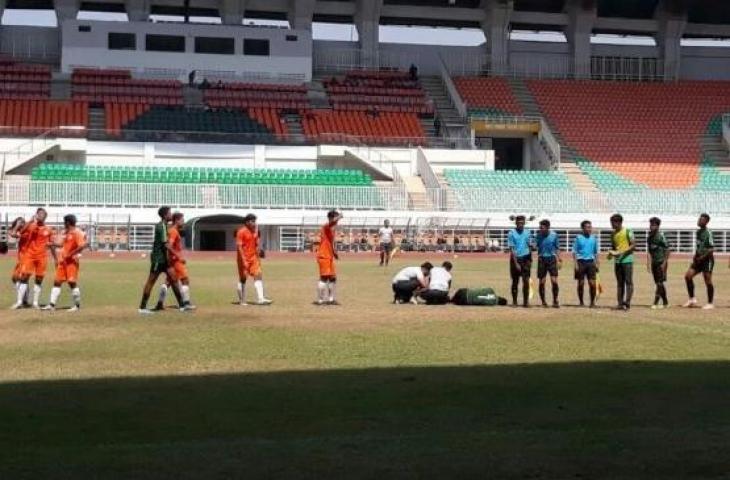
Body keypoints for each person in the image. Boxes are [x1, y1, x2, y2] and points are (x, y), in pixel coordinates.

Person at [138, 206, 191, 314]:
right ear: (165, 215)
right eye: (169, 213)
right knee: (151, 282)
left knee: (174, 279)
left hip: (165, 260)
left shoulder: (165, 226)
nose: (171, 215)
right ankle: (142, 307)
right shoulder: (161, 226)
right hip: (158, 259)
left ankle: (182, 305)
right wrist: (179, 256)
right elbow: (166, 244)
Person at [43, 214, 86, 311]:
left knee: (71, 282)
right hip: (62, 261)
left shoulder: (77, 233)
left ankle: (77, 306)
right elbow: (61, 244)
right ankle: (51, 305)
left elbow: (81, 246)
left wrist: (71, 254)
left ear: (68, 222)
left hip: (71, 262)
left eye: (64, 222)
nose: (63, 224)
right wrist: (52, 244)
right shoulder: (66, 232)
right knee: (57, 282)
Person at [12, 208, 53, 309]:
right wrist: (30, 221)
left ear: (45, 217)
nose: (41, 216)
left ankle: (35, 302)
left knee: (39, 279)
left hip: (42, 257)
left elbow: (51, 244)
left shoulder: (48, 229)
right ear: (36, 214)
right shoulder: (31, 226)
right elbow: (21, 232)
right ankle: (19, 302)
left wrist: (56, 258)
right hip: (29, 256)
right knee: (24, 277)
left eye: (43, 215)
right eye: (39, 214)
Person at [155, 212, 196, 310]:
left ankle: (160, 303)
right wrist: (178, 256)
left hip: (170, 260)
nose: (183, 222)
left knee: (168, 282)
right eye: (182, 220)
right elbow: (169, 245)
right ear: (177, 220)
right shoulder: (174, 231)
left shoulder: (170, 230)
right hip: (175, 261)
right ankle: (186, 303)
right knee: (185, 280)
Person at [235, 213, 272, 306]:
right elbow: (239, 247)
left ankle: (261, 298)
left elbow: (256, 244)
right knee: (243, 278)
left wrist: (260, 252)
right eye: (252, 221)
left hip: (254, 258)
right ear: (247, 222)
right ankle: (242, 300)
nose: (254, 223)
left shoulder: (255, 231)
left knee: (258, 275)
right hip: (243, 258)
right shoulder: (241, 231)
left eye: (255, 221)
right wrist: (243, 260)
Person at [683, 213, 715, 309]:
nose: (699, 221)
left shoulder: (708, 233)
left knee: (708, 281)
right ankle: (692, 299)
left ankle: (710, 303)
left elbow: (711, 249)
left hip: (707, 260)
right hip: (698, 259)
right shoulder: (698, 232)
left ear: (706, 222)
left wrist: (702, 257)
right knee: (688, 276)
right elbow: (699, 246)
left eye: (702, 220)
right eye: (699, 219)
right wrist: (696, 256)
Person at [609, 213, 635, 310]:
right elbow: (614, 247)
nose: (611, 225)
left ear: (618, 222)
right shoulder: (612, 234)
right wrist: (611, 254)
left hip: (627, 261)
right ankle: (620, 304)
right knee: (619, 283)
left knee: (628, 282)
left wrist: (622, 252)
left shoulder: (628, 231)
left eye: (612, 223)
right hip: (617, 262)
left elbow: (633, 245)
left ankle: (627, 303)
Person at [315, 210, 341, 306]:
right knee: (324, 278)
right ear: (331, 218)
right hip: (323, 256)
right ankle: (320, 300)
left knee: (333, 278)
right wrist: (339, 216)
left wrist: (334, 252)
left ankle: (331, 299)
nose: (337, 222)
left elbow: (331, 243)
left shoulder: (332, 230)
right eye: (335, 219)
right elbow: (332, 222)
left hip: (329, 257)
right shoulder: (326, 227)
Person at [573, 220, 600, 308]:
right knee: (580, 283)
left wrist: (597, 262)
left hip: (591, 263)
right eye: (587, 227)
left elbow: (596, 252)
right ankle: (581, 302)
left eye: (590, 227)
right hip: (581, 262)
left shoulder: (593, 238)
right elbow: (574, 252)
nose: (589, 229)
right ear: (583, 228)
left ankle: (592, 302)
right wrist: (576, 264)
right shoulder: (578, 238)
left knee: (592, 283)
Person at [507, 215, 533, 307]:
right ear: (516, 223)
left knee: (526, 281)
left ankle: (526, 302)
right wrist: (516, 263)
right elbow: (512, 249)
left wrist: (530, 259)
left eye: (522, 223)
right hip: (516, 259)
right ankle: (514, 302)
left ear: (524, 223)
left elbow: (530, 246)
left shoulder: (528, 233)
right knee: (515, 281)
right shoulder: (511, 233)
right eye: (519, 223)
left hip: (526, 259)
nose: (520, 224)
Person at [535, 219, 561, 308]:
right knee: (542, 282)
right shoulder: (538, 236)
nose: (540, 229)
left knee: (554, 281)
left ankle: (555, 300)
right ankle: (543, 302)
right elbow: (536, 246)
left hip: (552, 259)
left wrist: (559, 258)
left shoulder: (554, 235)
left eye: (542, 227)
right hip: (542, 259)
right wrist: (532, 247)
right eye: (540, 227)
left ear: (547, 227)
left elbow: (557, 248)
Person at [647, 217, 670, 309]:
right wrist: (648, 263)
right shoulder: (649, 237)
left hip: (661, 262)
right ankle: (665, 302)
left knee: (660, 283)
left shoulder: (661, 236)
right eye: (650, 224)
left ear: (657, 226)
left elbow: (667, 250)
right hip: (654, 263)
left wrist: (664, 263)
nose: (651, 226)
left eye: (653, 225)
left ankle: (655, 302)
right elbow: (649, 251)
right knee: (658, 283)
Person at [8, 217, 30, 308]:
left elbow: (13, 234)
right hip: (21, 259)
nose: (21, 224)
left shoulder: (26, 232)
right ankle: (24, 300)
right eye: (20, 222)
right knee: (15, 278)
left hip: (27, 258)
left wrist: (17, 225)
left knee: (22, 279)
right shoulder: (20, 231)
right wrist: (17, 225)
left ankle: (21, 301)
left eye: (22, 223)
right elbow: (11, 233)